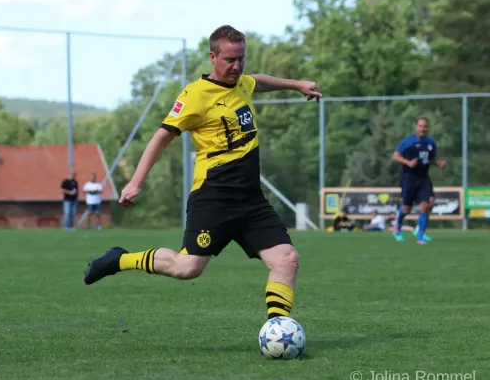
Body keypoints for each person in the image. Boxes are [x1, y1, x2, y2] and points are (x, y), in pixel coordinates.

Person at [83, 25, 322, 322]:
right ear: (212, 57)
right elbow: (161, 137)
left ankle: (277, 331)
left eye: (241, 59)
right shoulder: (195, 95)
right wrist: (136, 181)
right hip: (214, 197)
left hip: (251, 201)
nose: (237, 66)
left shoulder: (240, 84)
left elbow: (256, 81)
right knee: (188, 268)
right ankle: (119, 259)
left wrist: (296, 84)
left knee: (287, 259)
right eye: (229, 60)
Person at [391, 116, 446, 244]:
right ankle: (397, 227)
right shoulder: (408, 141)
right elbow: (395, 156)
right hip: (409, 178)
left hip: (423, 178)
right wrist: (408, 162)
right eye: (420, 126)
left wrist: (439, 163)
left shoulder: (431, 142)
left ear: (428, 127)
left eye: (425, 126)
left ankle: (419, 235)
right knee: (406, 209)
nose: (423, 129)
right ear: (416, 127)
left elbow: (431, 158)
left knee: (427, 205)